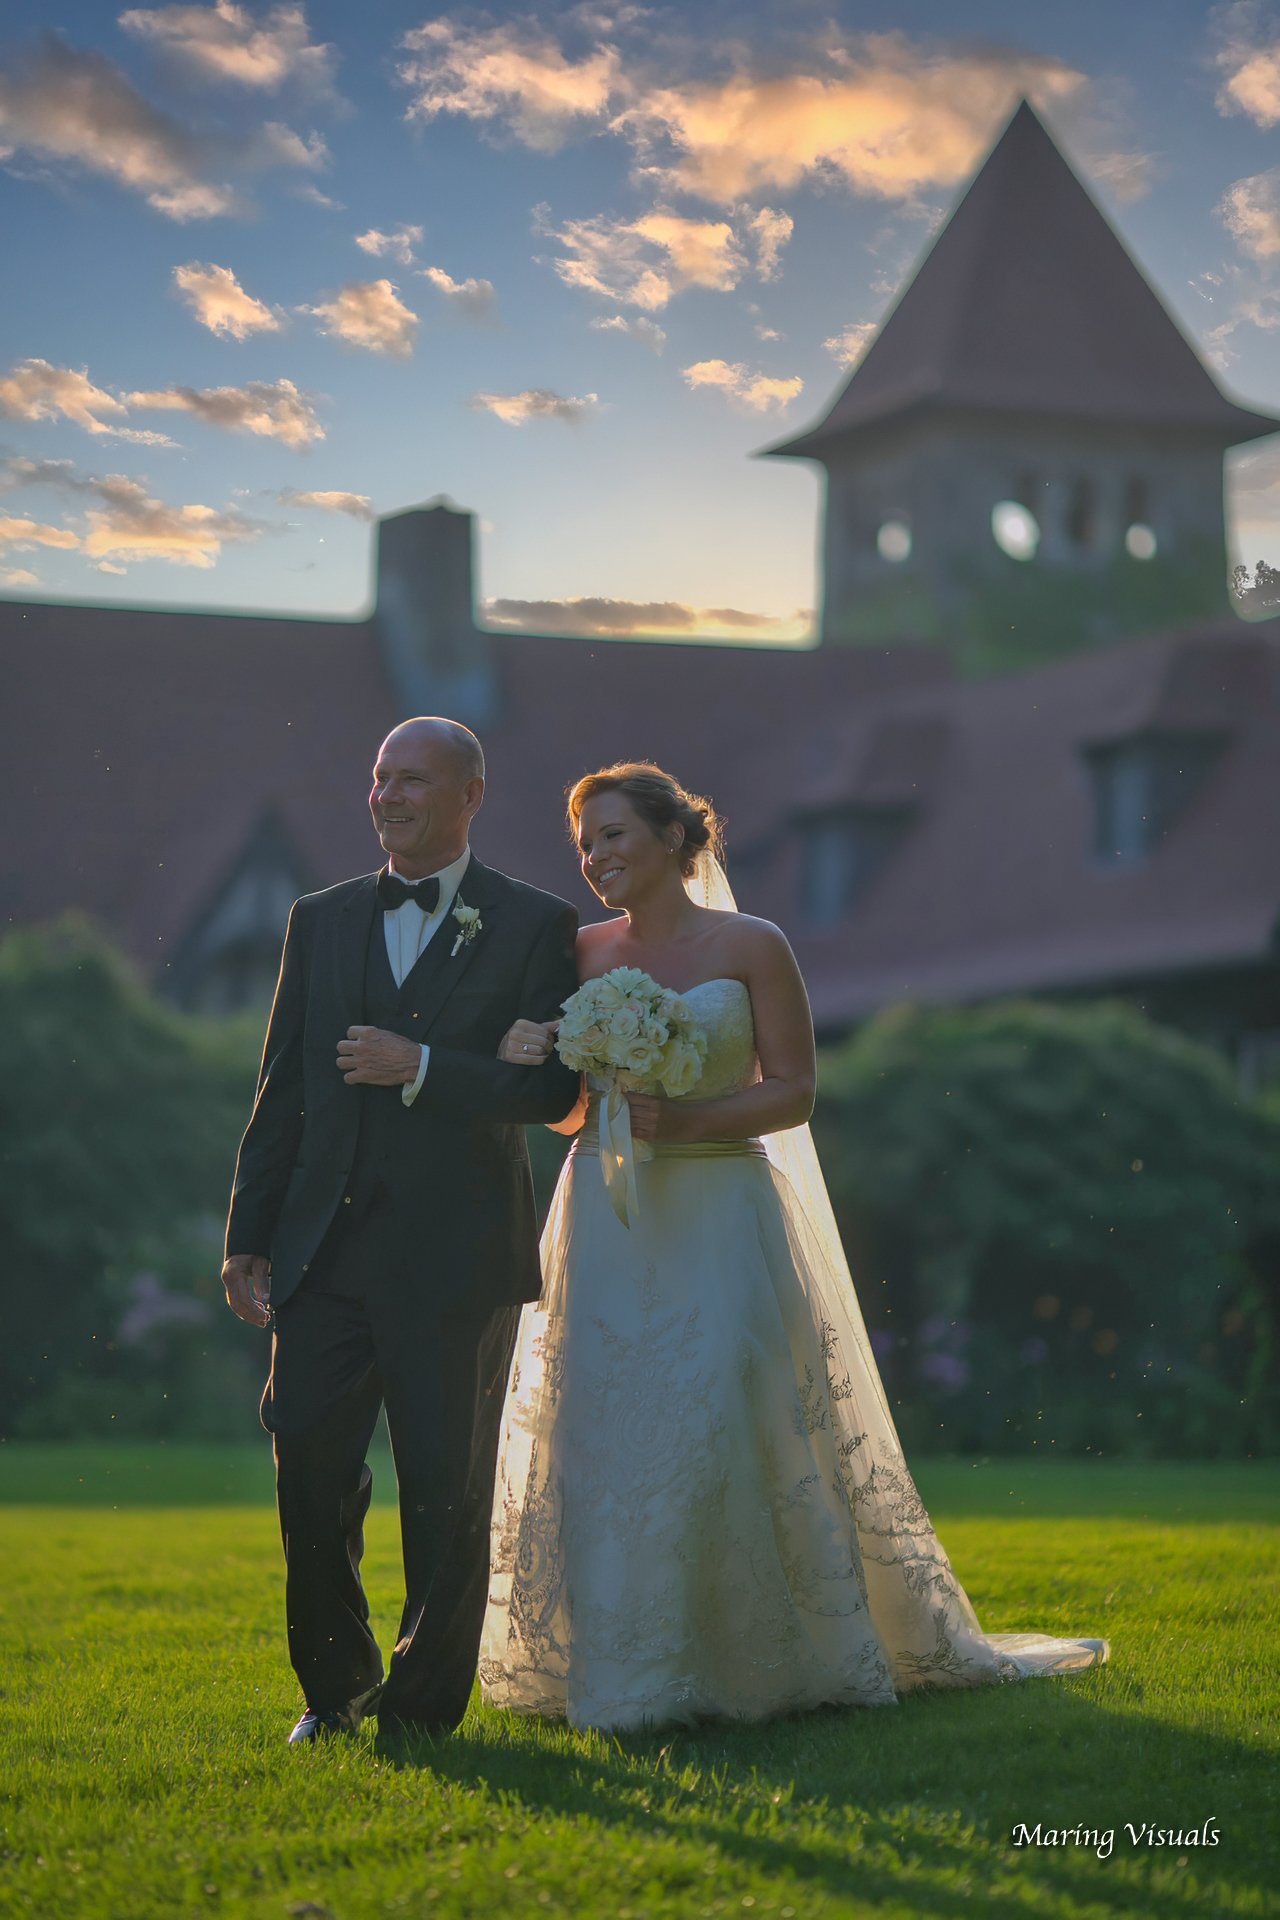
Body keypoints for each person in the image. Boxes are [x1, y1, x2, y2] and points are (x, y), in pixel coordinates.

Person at [479, 762, 1107, 1732]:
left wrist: (681, 1123)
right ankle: (633, 1662)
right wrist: (537, 1066)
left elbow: (794, 1090)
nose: (594, 859)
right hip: (610, 1215)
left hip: (723, 1203)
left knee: (722, 1406)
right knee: (610, 1427)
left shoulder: (752, 945)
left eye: (610, 836)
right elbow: (568, 1109)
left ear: (671, 837)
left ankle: (759, 1655)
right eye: (583, 844)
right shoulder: (578, 953)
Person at [221, 716, 580, 1745]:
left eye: (413, 780)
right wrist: (248, 1232)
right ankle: (333, 1692)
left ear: (471, 793)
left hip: (457, 1262)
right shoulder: (318, 918)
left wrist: (423, 1067)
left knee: (445, 1493)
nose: (387, 795)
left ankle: (421, 1713)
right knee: (309, 1472)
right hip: (319, 1254)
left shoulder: (532, 922)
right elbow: (282, 1085)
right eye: (380, 778)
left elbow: (553, 1089)